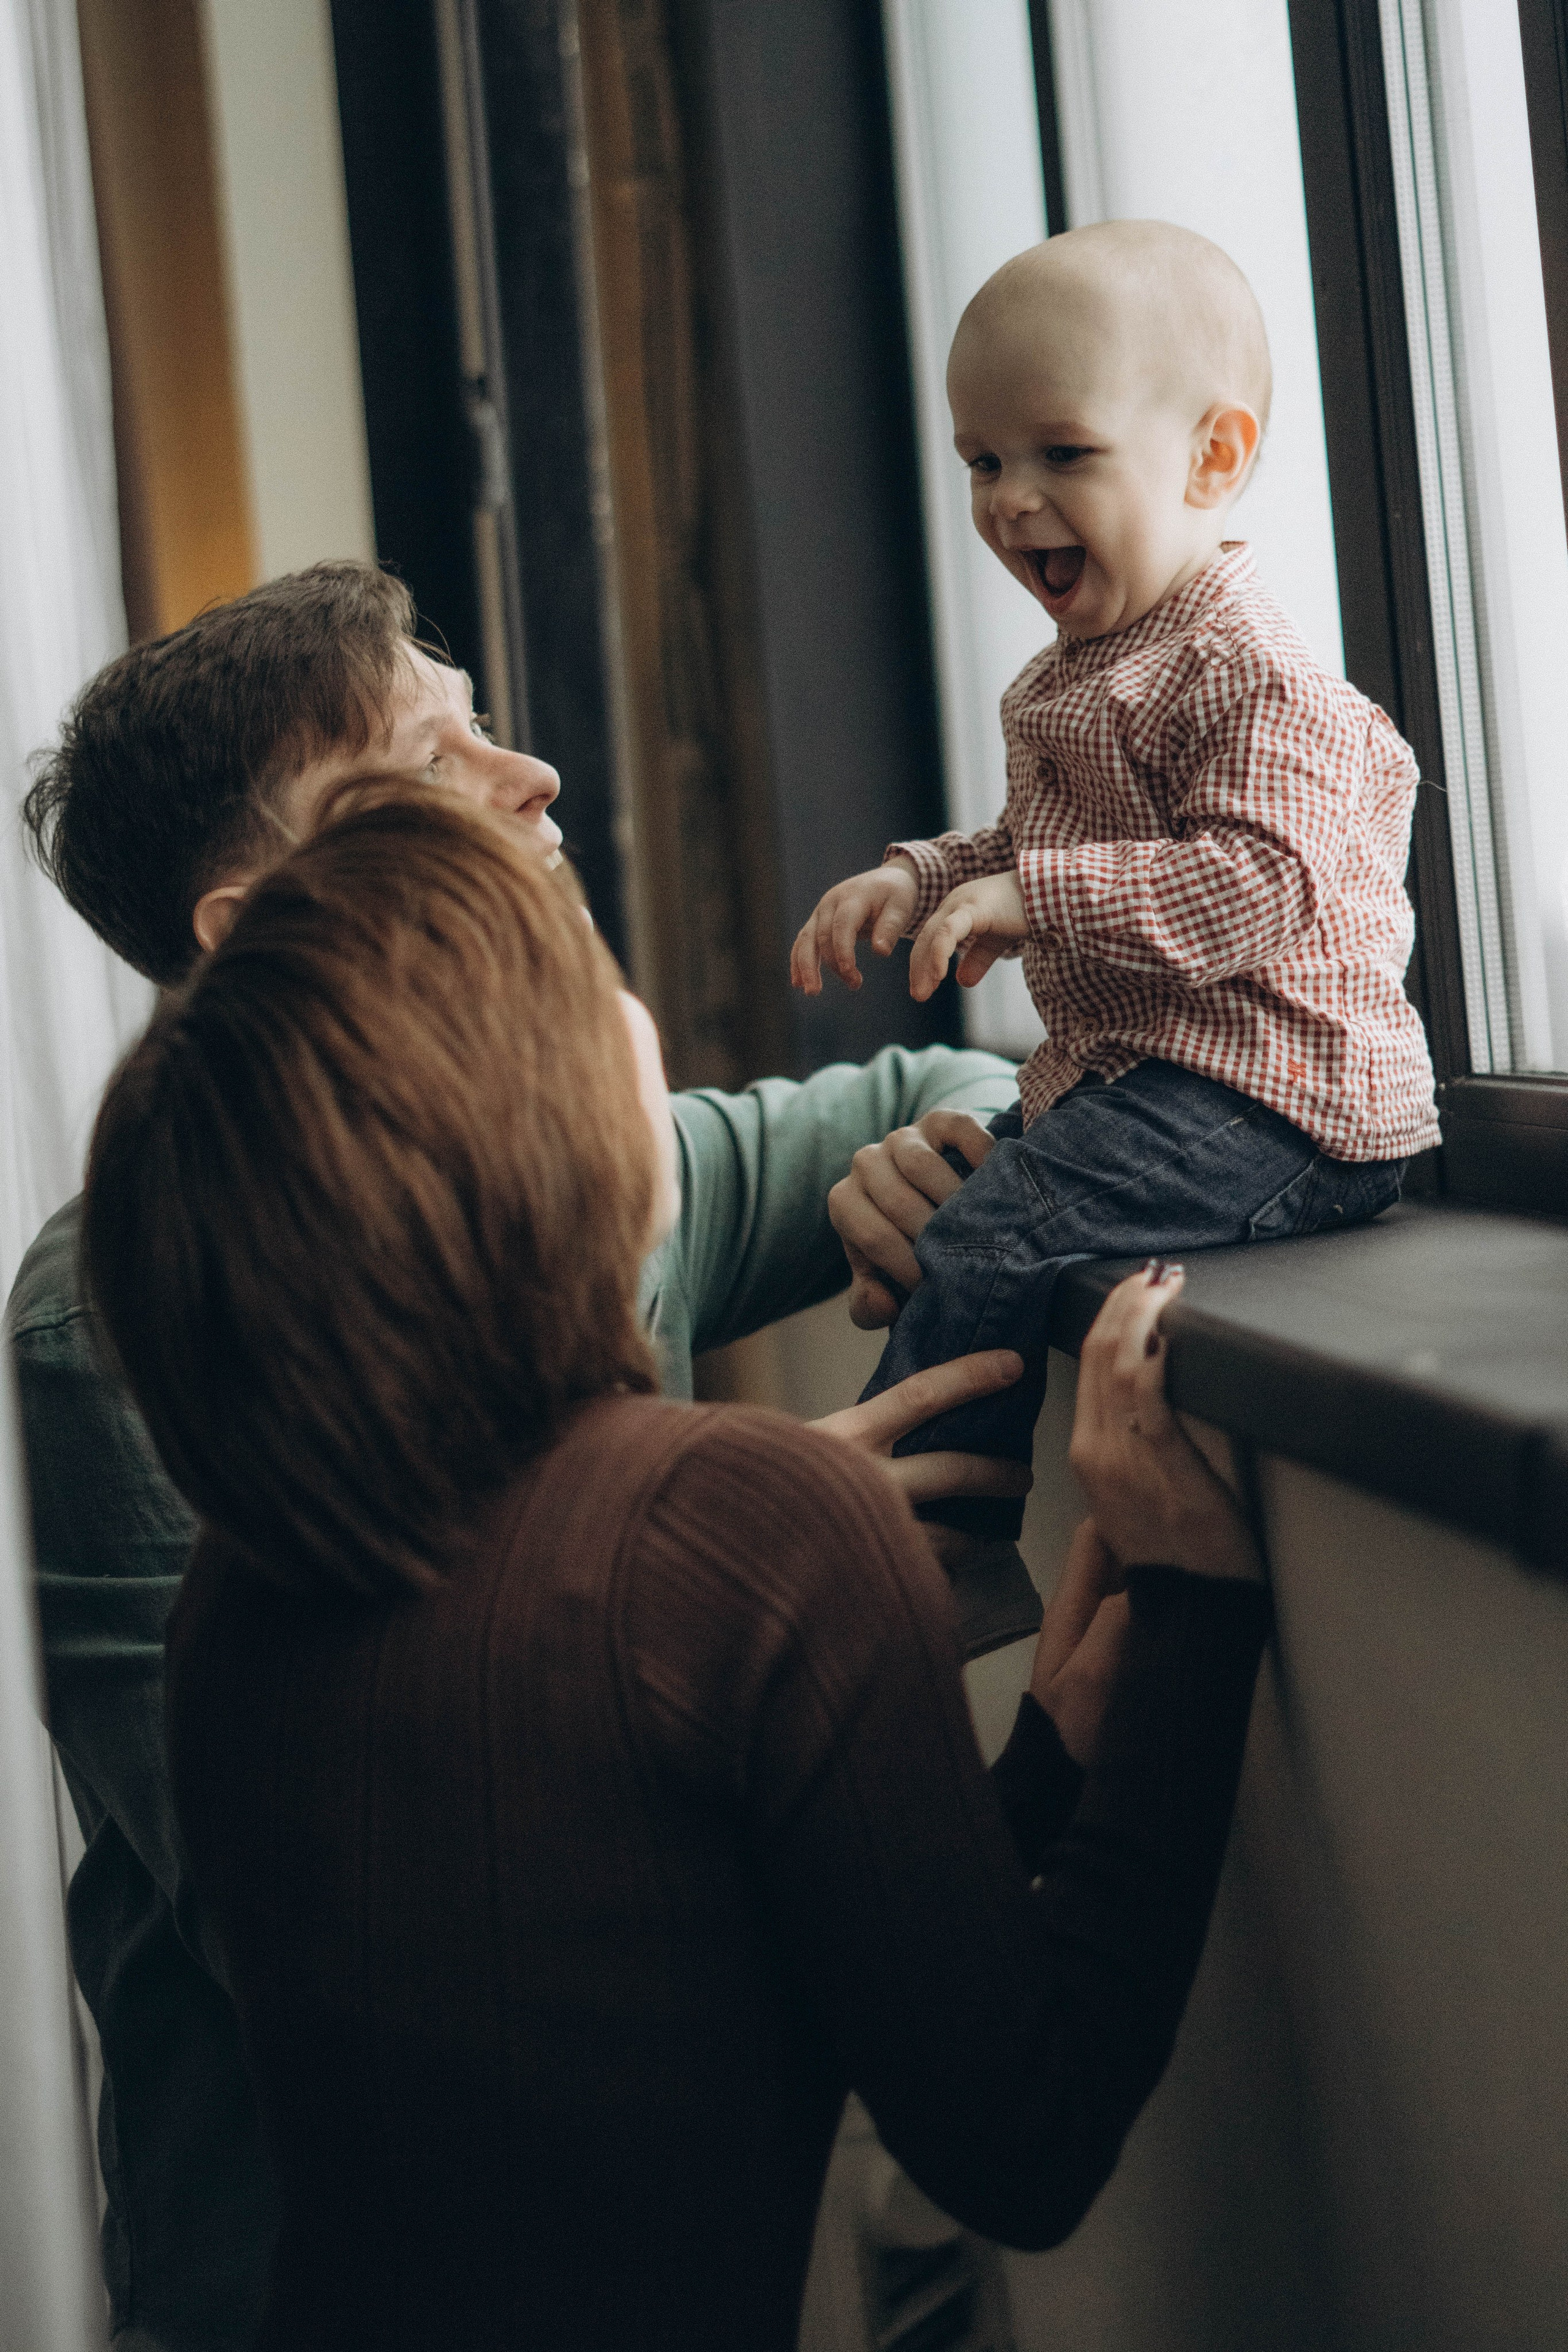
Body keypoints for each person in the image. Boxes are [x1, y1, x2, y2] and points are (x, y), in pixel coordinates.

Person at [82, 783, 1272, 2352]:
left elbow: (669, 2000)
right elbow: (1021, 2140)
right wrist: (1195, 1605)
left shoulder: (247, 1594)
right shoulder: (747, 1526)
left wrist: (1046, 1767)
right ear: (540, 1118)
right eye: (596, 987)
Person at [6, 562, 1024, 2352]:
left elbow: (980, 1089)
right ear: (263, 929)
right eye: (433, 762)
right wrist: (739, 1595)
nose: (535, 776)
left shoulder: (585, 1173)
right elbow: (337, 1939)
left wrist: (920, 1173)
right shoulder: (110, 1336)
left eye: (486, 719)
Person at [791, 221, 1439, 1544]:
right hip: (1158, 1086)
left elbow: (1257, 881)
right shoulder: (1074, 671)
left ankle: (928, 1545)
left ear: (1212, 458)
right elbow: (1033, 844)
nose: (1007, 499)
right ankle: (915, 1456)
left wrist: (1034, 903)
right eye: (980, 460)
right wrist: (920, 877)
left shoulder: (1251, 670)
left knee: (989, 1233)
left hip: (1278, 1097)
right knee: (962, 1223)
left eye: (1061, 453)